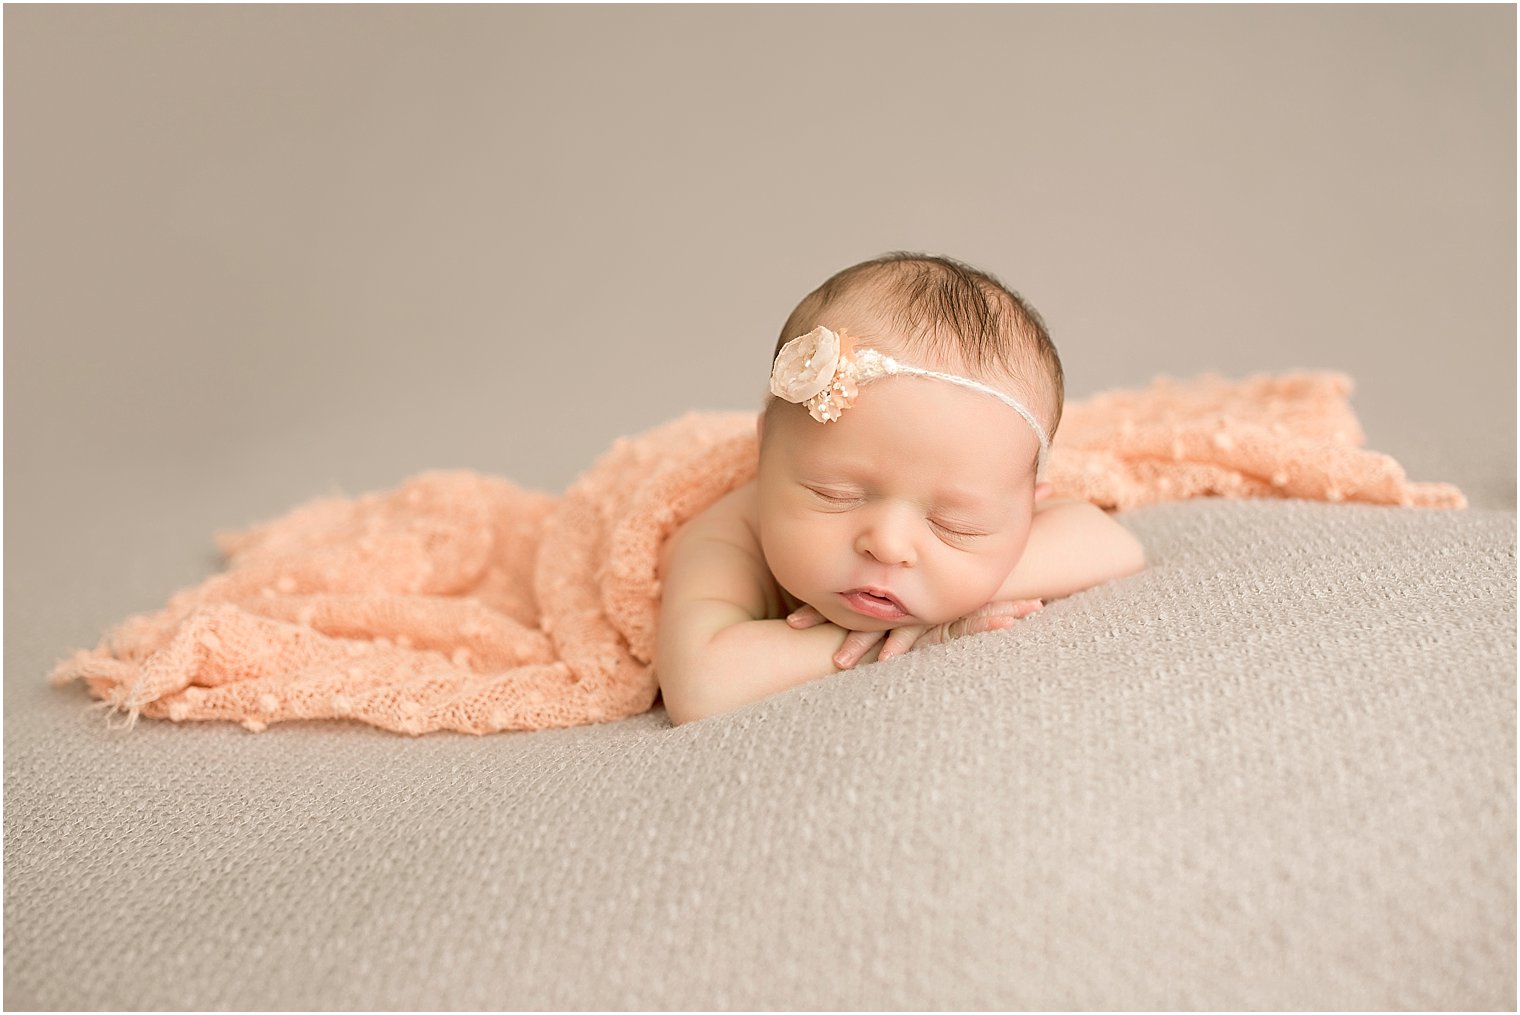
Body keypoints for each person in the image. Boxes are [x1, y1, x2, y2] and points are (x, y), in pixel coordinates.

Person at [656, 253, 1146, 725]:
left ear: (1026, 513)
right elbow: (701, 685)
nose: (889, 545)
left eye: (955, 526)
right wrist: (889, 637)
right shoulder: (727, 533)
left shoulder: (993, 495)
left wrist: (956, 596)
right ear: (764, 454)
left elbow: (1112, 544)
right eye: (835, 494)